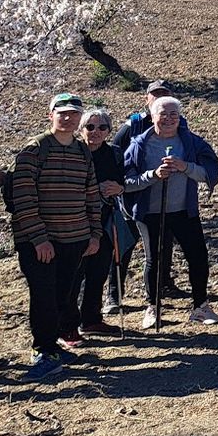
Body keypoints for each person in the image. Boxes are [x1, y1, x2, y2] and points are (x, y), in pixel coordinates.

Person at [11, 94, 101, 381]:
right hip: (39, 242)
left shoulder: (82, 151)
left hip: (74, 238)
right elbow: (23, 197)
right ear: (50, 115)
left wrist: (94, 233)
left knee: (63, 296)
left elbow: (91, 194)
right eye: (62, 113)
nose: (68, 118)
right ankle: (45, 351)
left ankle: (54, 346)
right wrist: (39, 238)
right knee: (44, 297)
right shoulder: (35, 150)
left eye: (74, 114)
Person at [122, 95, 218, 329]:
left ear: (180, 117)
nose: (168, 119)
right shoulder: (139, 145)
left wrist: (185, 167)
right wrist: (153, 176)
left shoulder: (191, 142)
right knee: (154, 260)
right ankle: (152, 308)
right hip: (150, 213)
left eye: (173, 114)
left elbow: (210, 171)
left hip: (184, 211)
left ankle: (200, 306)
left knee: (198, 256)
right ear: (153, 116)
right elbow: (126, 181)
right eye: (163, 114)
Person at [75, 107, 128, 338]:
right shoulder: (72, 152)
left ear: (108, 131)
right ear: (81, 129)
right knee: (75, 274)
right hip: (74, 222)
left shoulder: (115, 153)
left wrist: (120, 188)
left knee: (98, 272)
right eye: (90, 127)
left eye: (102, 127)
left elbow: (124, 180)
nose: (95, 132)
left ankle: (91, 320)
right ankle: (67, 323)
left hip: (106, 222)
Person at [112, 79, 174, 151]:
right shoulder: (135, 125)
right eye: (156, 94)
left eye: (165, 94)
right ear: (146, 100)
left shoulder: (180, 125)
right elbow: (115, 153)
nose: (160, 98)